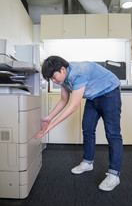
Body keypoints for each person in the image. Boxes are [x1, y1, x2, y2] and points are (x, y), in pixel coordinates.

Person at [35, 55, 123, 191]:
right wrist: (49, 118)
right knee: (87, 129)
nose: (54, 81)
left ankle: (114, 174)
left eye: (53, 77)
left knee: (113, 134)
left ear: (62, 69)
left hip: (109, 93)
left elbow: (73, 105)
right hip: (93, 97)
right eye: (51, 79)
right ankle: (88, 162)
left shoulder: (79, 72)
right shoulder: (63, 79)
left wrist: (51, 127)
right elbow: (64, 100)